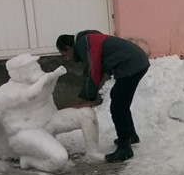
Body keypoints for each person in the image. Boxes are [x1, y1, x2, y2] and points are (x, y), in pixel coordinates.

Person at [0, 54, 100, 173]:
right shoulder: (6, 92)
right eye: (33, 69)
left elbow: (47, 90)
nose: (38, 71)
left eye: (37, 67)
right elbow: (29, 96)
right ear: (20, 74)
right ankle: (29, 160)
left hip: (50, 121)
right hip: (27, 131)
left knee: (86, 114)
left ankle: (92, 152)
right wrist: (45, 79)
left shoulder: (37, 82)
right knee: (59, 159)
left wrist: (53, 77)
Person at [56, 30, 150, 163]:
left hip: (132, 64)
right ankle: (130, 135)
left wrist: (88, 98)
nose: (67, 58)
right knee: (118, 98)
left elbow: (93, 70)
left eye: (64, 54)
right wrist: (85, 97)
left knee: (118, 107)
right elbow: (96, 69)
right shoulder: (88, 40)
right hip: (136, 61)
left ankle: (125, 149)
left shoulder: (84, 43)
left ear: (68, 48)